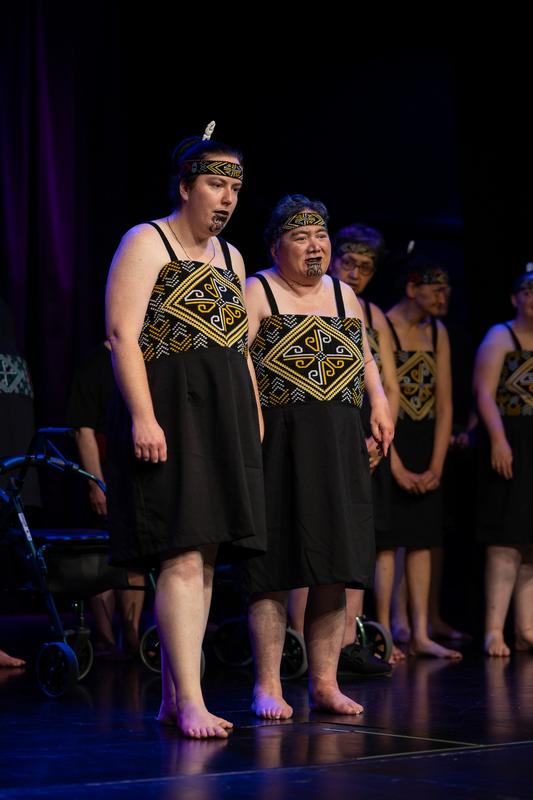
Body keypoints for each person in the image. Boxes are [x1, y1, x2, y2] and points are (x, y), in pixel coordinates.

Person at [104, 122, 266, 738]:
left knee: (205, 554)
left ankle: (178, 698)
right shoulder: (147, 242)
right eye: (215, 184)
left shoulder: (232, 257)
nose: (226, 198)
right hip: (171, 412)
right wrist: (144, 417)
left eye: (234, 188)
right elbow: (122, 335)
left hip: (221, 416)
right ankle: (189, 700)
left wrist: (251, 415)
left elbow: (240, 351)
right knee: (182, 550)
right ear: (185, 186)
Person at [243, 195, 394, 719]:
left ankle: (324, 683)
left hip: (337, 440)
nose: (315, 247)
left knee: (334, 565)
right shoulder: (257, 290)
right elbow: (238, 359)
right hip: (280, 442)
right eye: (301, 237)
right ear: (276, 245)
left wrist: (378, 402)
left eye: (320, 236)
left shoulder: (342, 294)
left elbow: (365, 355)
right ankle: (268, 684)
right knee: (275, 567)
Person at [287, 224, 401, 673]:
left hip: (361, 427)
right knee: (310, 532)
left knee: (351, 541)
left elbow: (383, 376)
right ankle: (295, 641)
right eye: (348, 263)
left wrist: (379, 433)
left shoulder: (367, 312)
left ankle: (348, 642)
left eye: (365, 267)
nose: (355, 273)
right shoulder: (309, 299)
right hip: (319, 420)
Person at [384, 256, 461, 659]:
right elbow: (381, 398)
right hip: (394, 440)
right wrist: (393, 461)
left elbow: (445, 404)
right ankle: (385, 630)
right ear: (413, 288)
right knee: (390, 540)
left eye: (446, 290)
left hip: (428, 441)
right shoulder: (387, 326)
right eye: (436, 289)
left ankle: (420, 630)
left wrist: (437, 465)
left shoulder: (437, 332)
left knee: (423, 541)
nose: (443, 297)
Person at [66, 340, 145, 658]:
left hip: (137, 474)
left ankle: (133, 635)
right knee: (102, 559)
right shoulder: (95, 366)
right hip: (106, 469)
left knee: (137, 558)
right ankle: (106, 637)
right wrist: (96, 484)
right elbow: (83, 431)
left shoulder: (145, 360)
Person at [472, 269, 533, 656]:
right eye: (528, 292)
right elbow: (483, 391)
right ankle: (494, 629)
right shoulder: (501, 335)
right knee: (506, 537)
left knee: (531, 542)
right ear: (515, 298)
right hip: (511, 443)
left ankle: (526, 628)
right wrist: (498, 439)